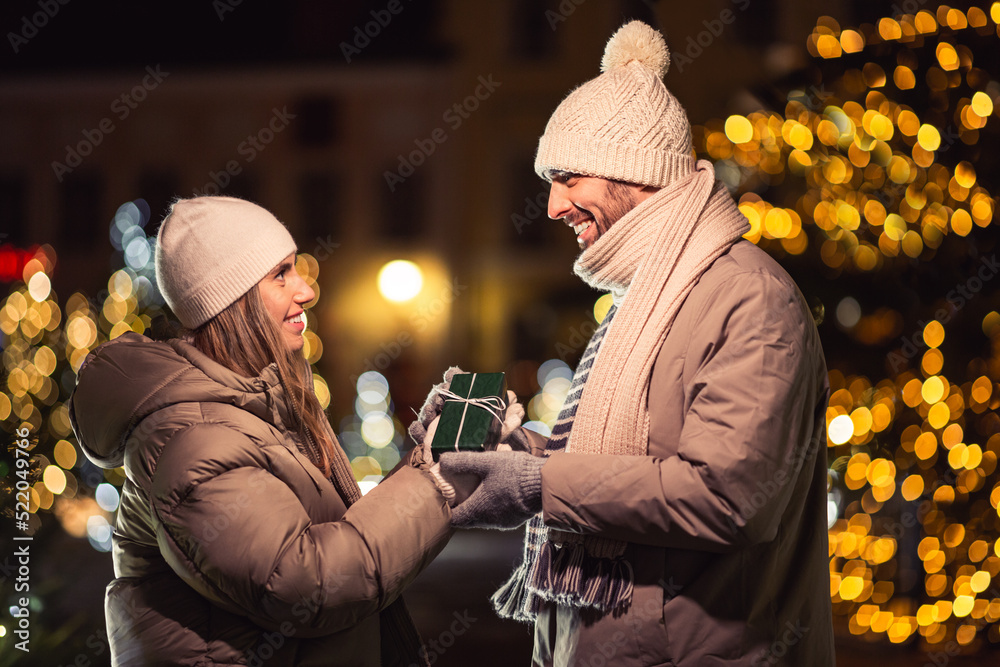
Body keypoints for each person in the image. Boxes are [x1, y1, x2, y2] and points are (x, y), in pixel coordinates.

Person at [436, 21, 836, 666]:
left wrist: (538, 483)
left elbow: (729, 500)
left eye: (568, 177)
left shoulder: (746, 297)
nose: (551, 206)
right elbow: (624, 459)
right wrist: (513, 451)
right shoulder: (652, 296)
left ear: (634, 171)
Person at [69, 196, 453, 666]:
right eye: (280, 274)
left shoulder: (250, 410)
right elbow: (310, 584)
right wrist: (433, 483)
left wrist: (427, 455)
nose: (307, 290)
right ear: (233, 300)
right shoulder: (191, 440)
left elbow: (336, 531)